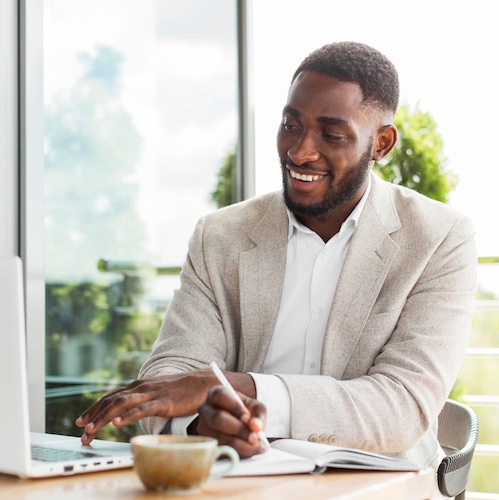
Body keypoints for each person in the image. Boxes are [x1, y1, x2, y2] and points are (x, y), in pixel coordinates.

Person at [76, 41, 477, 473]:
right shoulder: (220, 236)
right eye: (291, 124)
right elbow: (173, 374)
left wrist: (238, 388)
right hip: (237, 481)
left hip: (374, 486)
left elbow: (400, 406)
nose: (300, 151)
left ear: (381, 143)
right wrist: (200, 425)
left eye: (332, 134)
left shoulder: (439, 238)